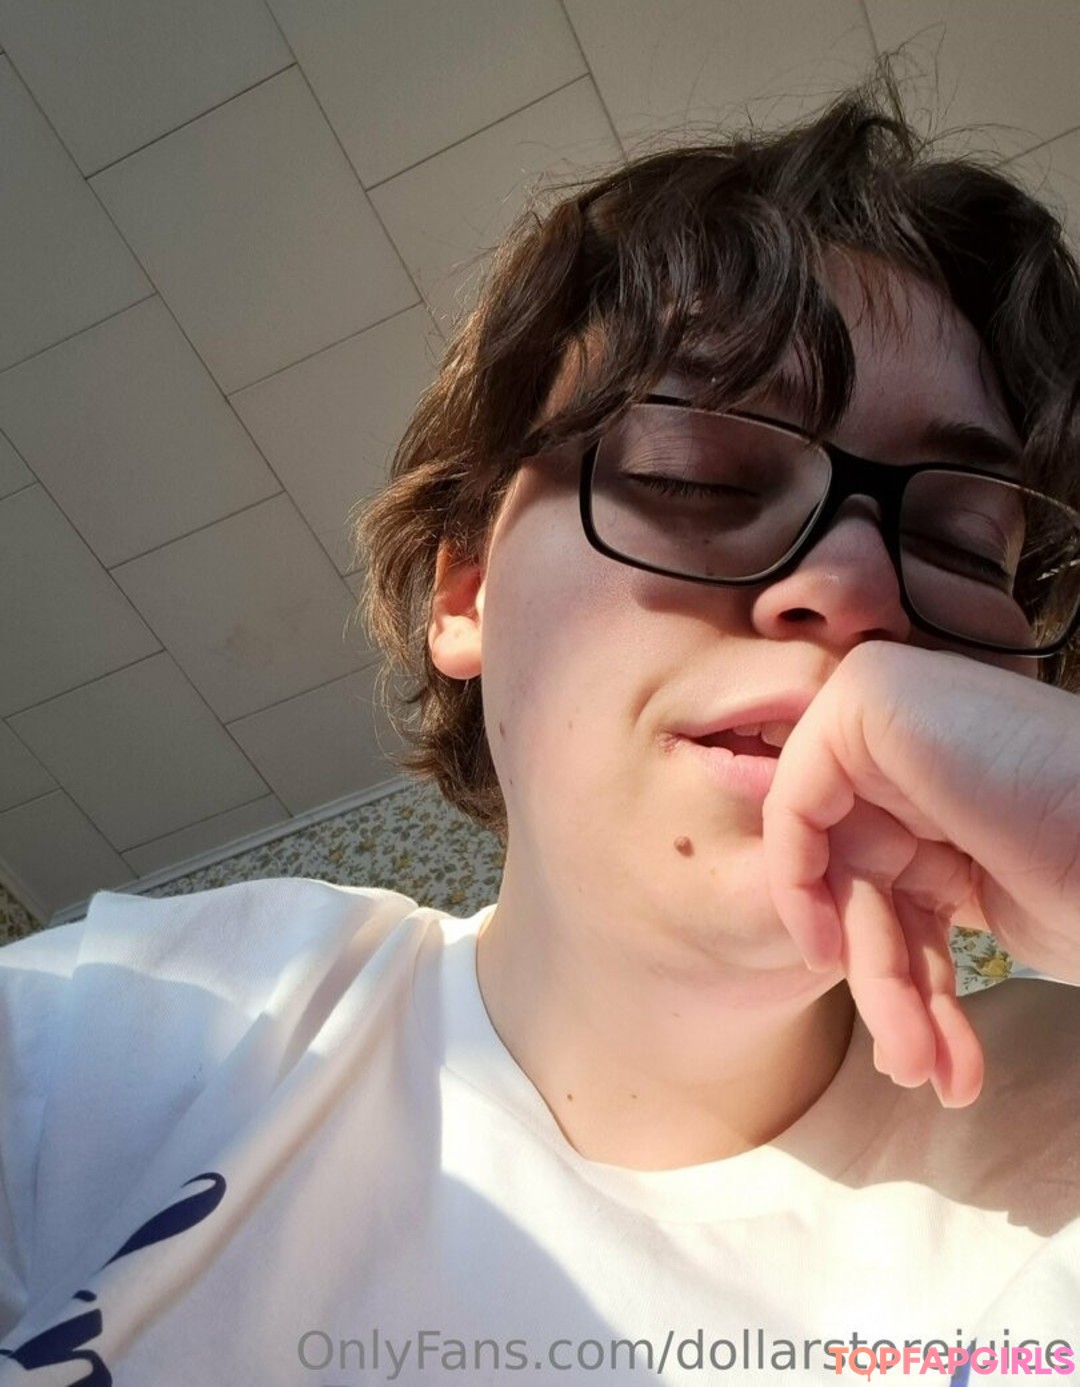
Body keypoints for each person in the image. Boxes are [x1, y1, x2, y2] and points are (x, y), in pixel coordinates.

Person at [1, 69, 1079, 1386]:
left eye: (960, 540)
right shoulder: (141, 1030)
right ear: (465, 588)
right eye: (699, 476)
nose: (855, 589)